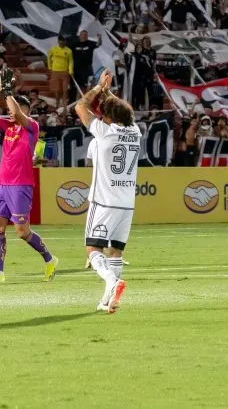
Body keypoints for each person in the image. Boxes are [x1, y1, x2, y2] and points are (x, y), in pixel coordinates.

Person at [0, 92, 58, 283]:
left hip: (21, 185)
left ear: (26, 110)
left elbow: (18, 113)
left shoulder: (32, 127)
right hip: (2, 184)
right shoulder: (9, 126)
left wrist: (7, 93)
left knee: (22, 232)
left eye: (14, 109)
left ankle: (50, 259)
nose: (10, 113)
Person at [75, 69, 136, 313]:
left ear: (108, 118)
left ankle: (112, 281)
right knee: (115, 251)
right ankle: (108, 299)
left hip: (103, 201)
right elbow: (119, 111)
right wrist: (109, 93)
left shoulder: (104, 131)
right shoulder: (135, 132)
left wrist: (99, 88)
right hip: (127, 204)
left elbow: (81, 106)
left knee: (92, 251)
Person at [47, 35, 73, 103]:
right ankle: (57, 102)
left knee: (65, 90)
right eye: (61, 41)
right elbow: (49, 58)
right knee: (57, 89)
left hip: (65, 72)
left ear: (65, 42)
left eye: (64, 41)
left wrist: (70, 70)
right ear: (58, 41)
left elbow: (70, 61)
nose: (62, 43)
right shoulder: (53, 49)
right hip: (55, 71)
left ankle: (64, 104)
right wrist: (49, 67)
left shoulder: (69, 51)